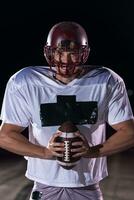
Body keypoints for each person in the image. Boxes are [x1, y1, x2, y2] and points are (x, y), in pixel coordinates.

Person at [0, 21, 134, 200]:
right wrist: (45, 153)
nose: (65, 60)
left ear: (84, 53)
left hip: (87, 185)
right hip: (45, 186)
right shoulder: (25, 82)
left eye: (73, 53)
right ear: (49, 52)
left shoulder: (107, 81)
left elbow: (129, 133)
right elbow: (5, 136)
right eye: (59, 52)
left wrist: (91, 151)